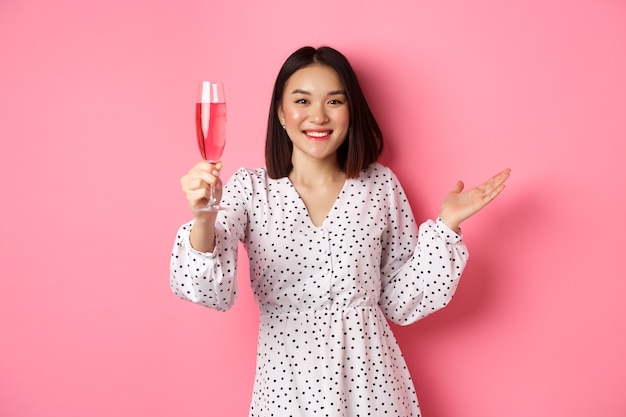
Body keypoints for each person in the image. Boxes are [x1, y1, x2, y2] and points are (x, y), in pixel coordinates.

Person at [170, 46, 510, 417]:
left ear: (351, 113)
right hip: (286, 390)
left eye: (334, 101)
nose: (318, 115)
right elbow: (207, 290)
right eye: (302, 100)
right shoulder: (250, 190)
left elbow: (399, 301)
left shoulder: (380, 186)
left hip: (372, 389)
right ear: (282, 113)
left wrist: (446, 226)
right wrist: (203, 217)